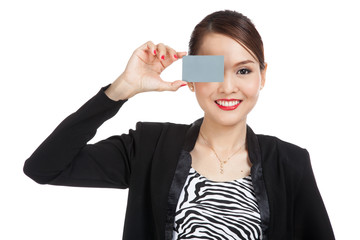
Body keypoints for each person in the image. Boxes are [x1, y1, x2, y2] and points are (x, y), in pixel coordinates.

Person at [23, 10, 335, 240]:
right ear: (191, 77)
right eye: (211, 69)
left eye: (243, 71)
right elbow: (44, 168)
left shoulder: (290, 162)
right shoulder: (149, 146)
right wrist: (121, 89)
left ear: (262, 76)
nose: (228, 87)